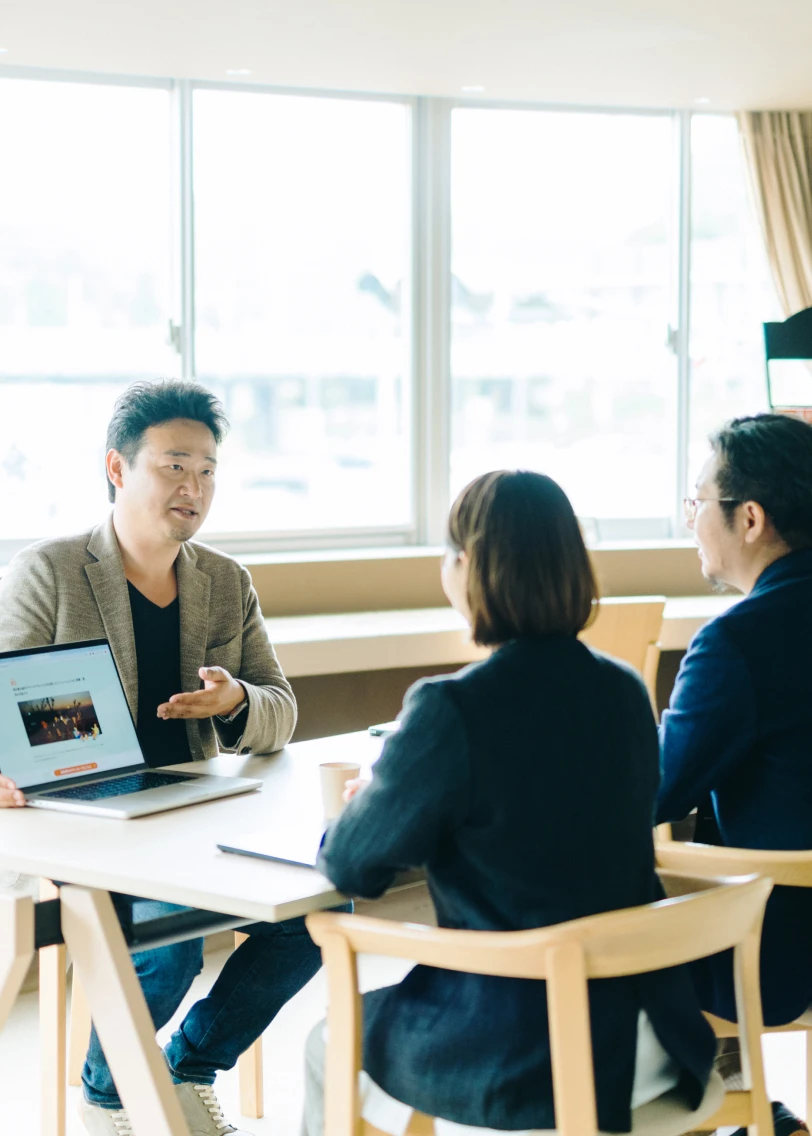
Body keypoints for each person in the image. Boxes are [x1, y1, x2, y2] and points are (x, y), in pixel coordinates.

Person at [302, 470, 716, 1135]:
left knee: (328, 1042)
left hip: (529, 1054)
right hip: (652, 1038)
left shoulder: (453, 709)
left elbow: (351, 868)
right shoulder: (623, 692)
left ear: (468, 568)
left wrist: (383, 796)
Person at [0, 380, 324, 1136]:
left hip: (186, 809)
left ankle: (180, 1067)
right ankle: (109, 1098)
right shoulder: (49, 571)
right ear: (118, 469)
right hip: (81, 818)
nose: (195, 487)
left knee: (315, 915)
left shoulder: (223, 581)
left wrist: (236, 700)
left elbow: (281, 708)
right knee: (172, 944)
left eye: (208, 470)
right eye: (175, 465)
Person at [656, 413, 812, 1136]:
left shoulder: (738, 643)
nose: (692, 519)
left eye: (697, 501)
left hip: (781, 953)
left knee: (622, 887)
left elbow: (655, 792)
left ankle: (694, 1102)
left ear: (749, 518)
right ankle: (748, 1103)